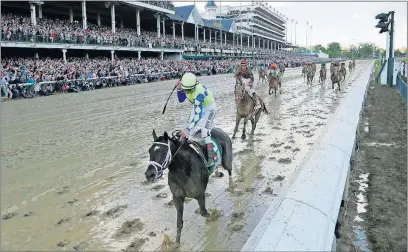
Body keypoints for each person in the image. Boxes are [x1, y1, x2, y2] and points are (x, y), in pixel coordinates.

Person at [175, 72, 217, 168]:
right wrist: (179, 88)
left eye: (188, 90)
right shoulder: (188, 87)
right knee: (187, 129)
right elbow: (181, 99)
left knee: (205, 131)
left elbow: (197, 116)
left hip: (209, 108)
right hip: (198, 106)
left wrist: (187, 129)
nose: (186, 92)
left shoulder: (199, 93)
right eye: (185, 90)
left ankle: (212, 157)